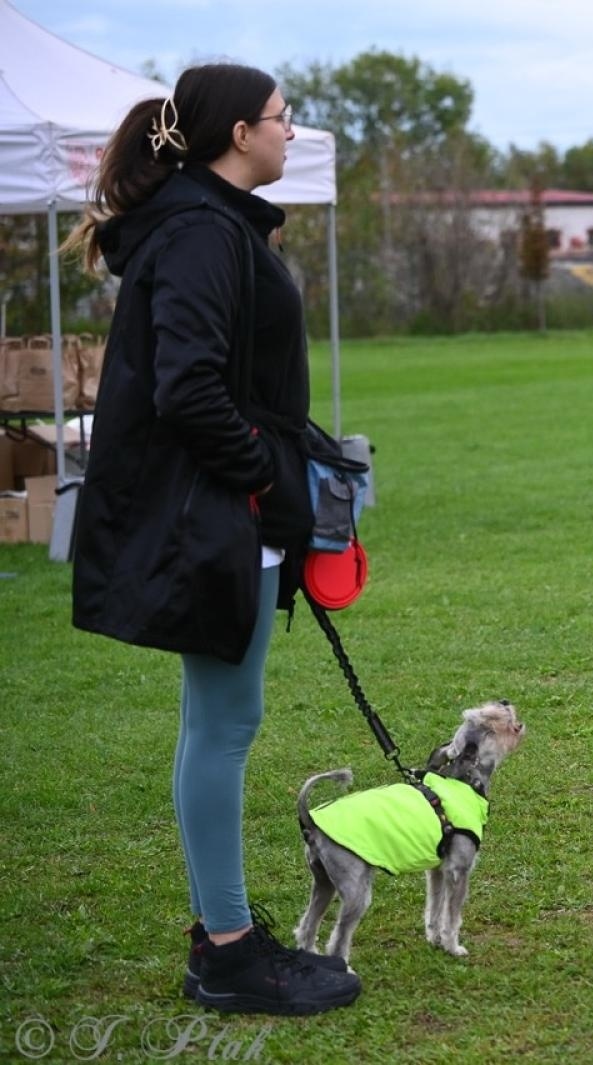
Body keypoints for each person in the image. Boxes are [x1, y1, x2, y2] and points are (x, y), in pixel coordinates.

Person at [65, 64, 363, 1012]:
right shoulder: (200, 231)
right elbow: (187, 388)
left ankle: (219, 931)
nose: (291, 133)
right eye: (283, 120)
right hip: (215, 516)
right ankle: (229, 950)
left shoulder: (212, 221)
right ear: (240, 132)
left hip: (224, 511)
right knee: (227, 725)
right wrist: (265, 477)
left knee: (215, 720)